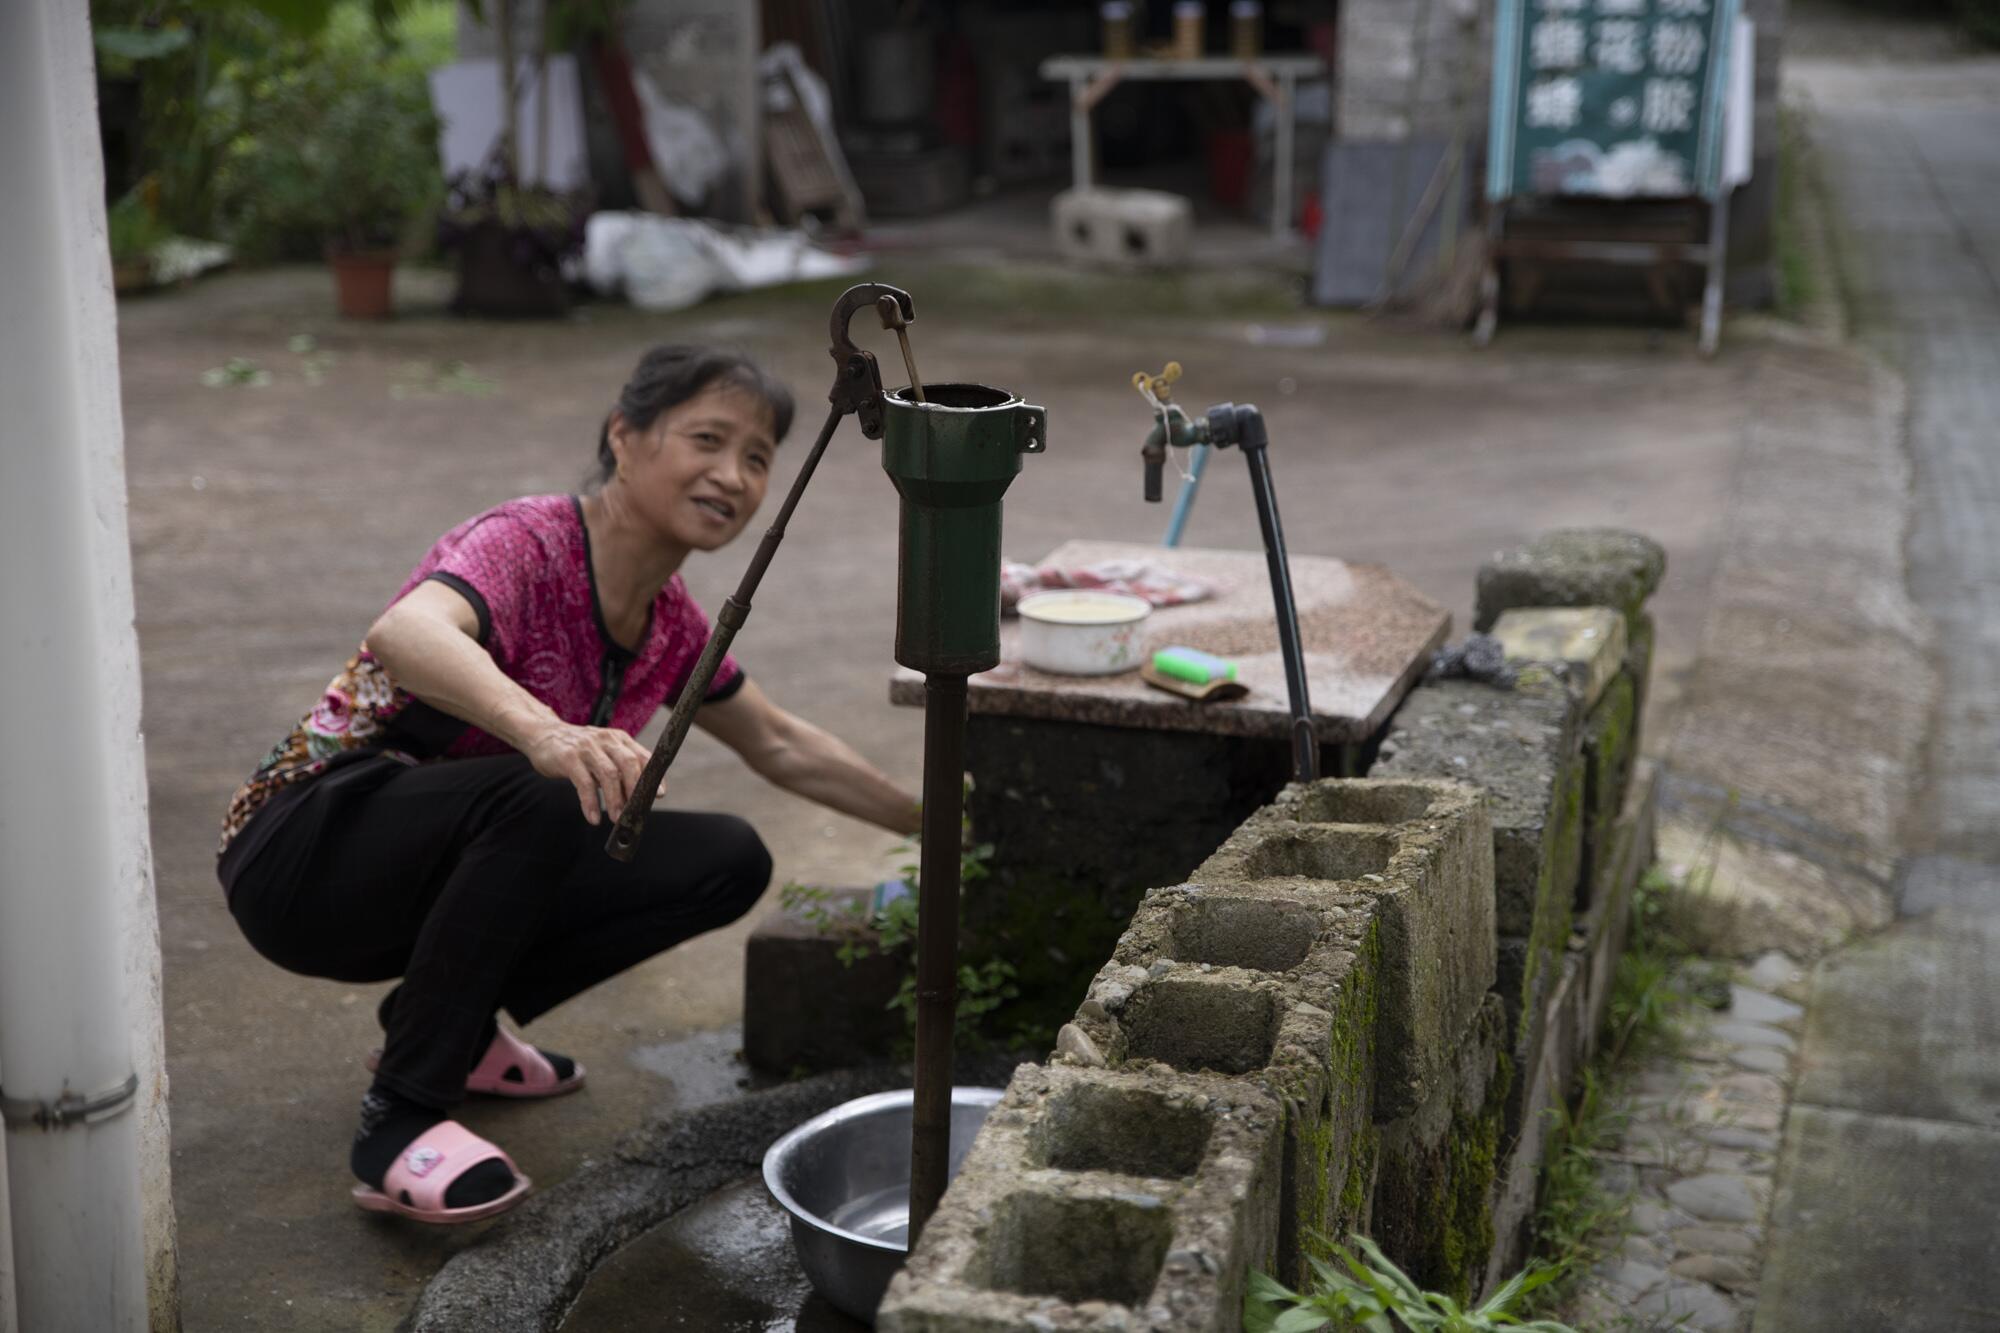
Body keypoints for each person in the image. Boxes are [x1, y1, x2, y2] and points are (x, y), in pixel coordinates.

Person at [216, 345, 920, 1224]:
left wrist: (936, 819)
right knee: (552, 789)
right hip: (301, 853)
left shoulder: (673, 624)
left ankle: (454, 1023)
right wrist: (543, 731)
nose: (732, 476)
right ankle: (398, 1121)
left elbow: (778, 742)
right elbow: (406, 631)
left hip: (433, 868)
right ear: (624, 437)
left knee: (726, 858)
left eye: (756, 458)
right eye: (707, 438)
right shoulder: (529, 540)